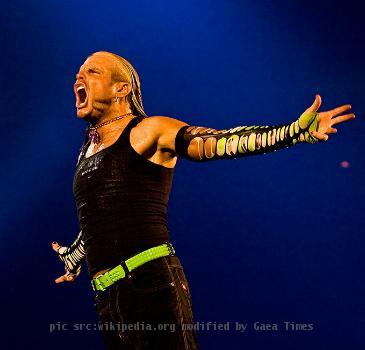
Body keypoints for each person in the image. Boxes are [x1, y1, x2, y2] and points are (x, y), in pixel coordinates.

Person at [51, 51, 355, 349]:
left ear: (122, 88)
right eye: (79, 72)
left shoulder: (149, 130)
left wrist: (293, 132)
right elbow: (103, 215)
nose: (79, 76)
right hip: (107, 297)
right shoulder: (85, 152)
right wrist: (75, 256)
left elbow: (219, 142)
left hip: (149, 281)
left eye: (92, 71)